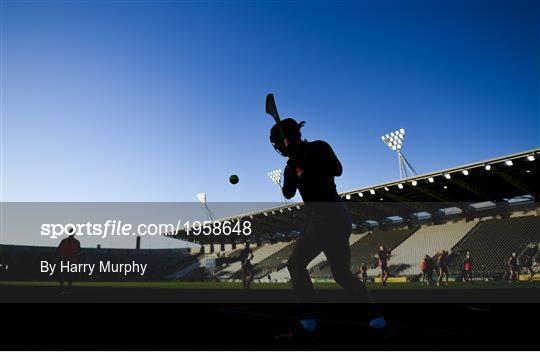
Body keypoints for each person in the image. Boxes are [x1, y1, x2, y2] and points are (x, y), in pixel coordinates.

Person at [270, 118, 386, 333]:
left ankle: (307, 323)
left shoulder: (319, 147)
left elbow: (337, 169)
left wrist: (305, 159)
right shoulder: (290, 165)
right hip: (327, 219)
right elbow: (288, 192)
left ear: (291, 137)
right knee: (341, 274)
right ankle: (376, 319)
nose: (278, 147)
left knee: (295, 265)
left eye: (278, 142)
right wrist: (294, 164)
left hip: (327, 216)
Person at [56, 227, 81, 295]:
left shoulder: (75, 242)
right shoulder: (65, 241)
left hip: (70, 260)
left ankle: (66, 290)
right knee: (64, 276)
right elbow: (58, 250)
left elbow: (79, 252)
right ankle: (63, 290)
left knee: (68, 276)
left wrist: (75, 257)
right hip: (65, 260)